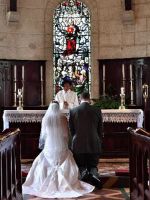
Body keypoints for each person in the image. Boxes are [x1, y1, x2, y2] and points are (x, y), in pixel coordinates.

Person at [22, 101, 94, 198]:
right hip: (61, 145)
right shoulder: (63, 118)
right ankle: (66, 185)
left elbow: (43, 135)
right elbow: (65, 134)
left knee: (43, 160)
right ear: (58, 108)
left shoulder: (46, 119)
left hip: (49, 145)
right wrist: (66, 143)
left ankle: (44, 184)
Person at [69, 92, 103, 188]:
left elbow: (71, 130)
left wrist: (76, 139)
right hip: (94, 142)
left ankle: (84, 174)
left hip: (78, 144)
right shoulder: (97, 110)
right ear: (89, 98)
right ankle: (94, 174)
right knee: (93, 165)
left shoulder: (73, 111)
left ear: (80, 99)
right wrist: (98, 141)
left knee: (81, 164)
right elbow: (100, 129)